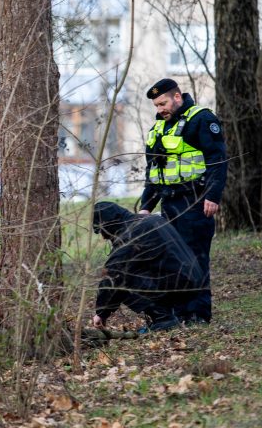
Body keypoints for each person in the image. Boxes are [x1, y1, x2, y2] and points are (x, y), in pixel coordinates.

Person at [138, 78, 227, 323]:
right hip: (169, 205)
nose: (160, 110)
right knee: (172, 259)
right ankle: (178, 314)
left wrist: (212, 195)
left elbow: (217, 160)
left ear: (177, 97)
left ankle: (198, 315)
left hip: (196, 202)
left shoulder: (202, 119)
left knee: (195, 257)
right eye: (156, 106)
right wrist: (146, 207)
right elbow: (154, 173)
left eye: (163, 103)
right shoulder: (158, 129)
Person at [91, 202, 204, 333]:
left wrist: (101, 313)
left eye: (102, 231)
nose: (104, 237)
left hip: (178, 284)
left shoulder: (130, 235)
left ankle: (163, 319)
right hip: (193, 280)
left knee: (123, 279)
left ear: (107, 225)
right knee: (131, 269)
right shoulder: (150, 219)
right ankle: (177, 314)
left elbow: (112, 276)